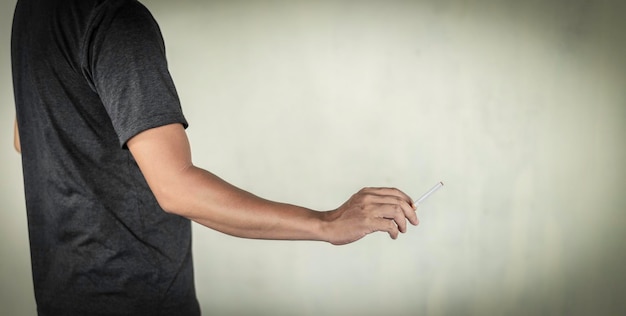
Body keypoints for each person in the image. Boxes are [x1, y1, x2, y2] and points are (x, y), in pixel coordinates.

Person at [11, 0, 419, 315]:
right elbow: (176, 189)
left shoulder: (34, 10)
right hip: (134, 299)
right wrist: (326, 223)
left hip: (60, 296)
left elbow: (23, 137)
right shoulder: (117, 21)